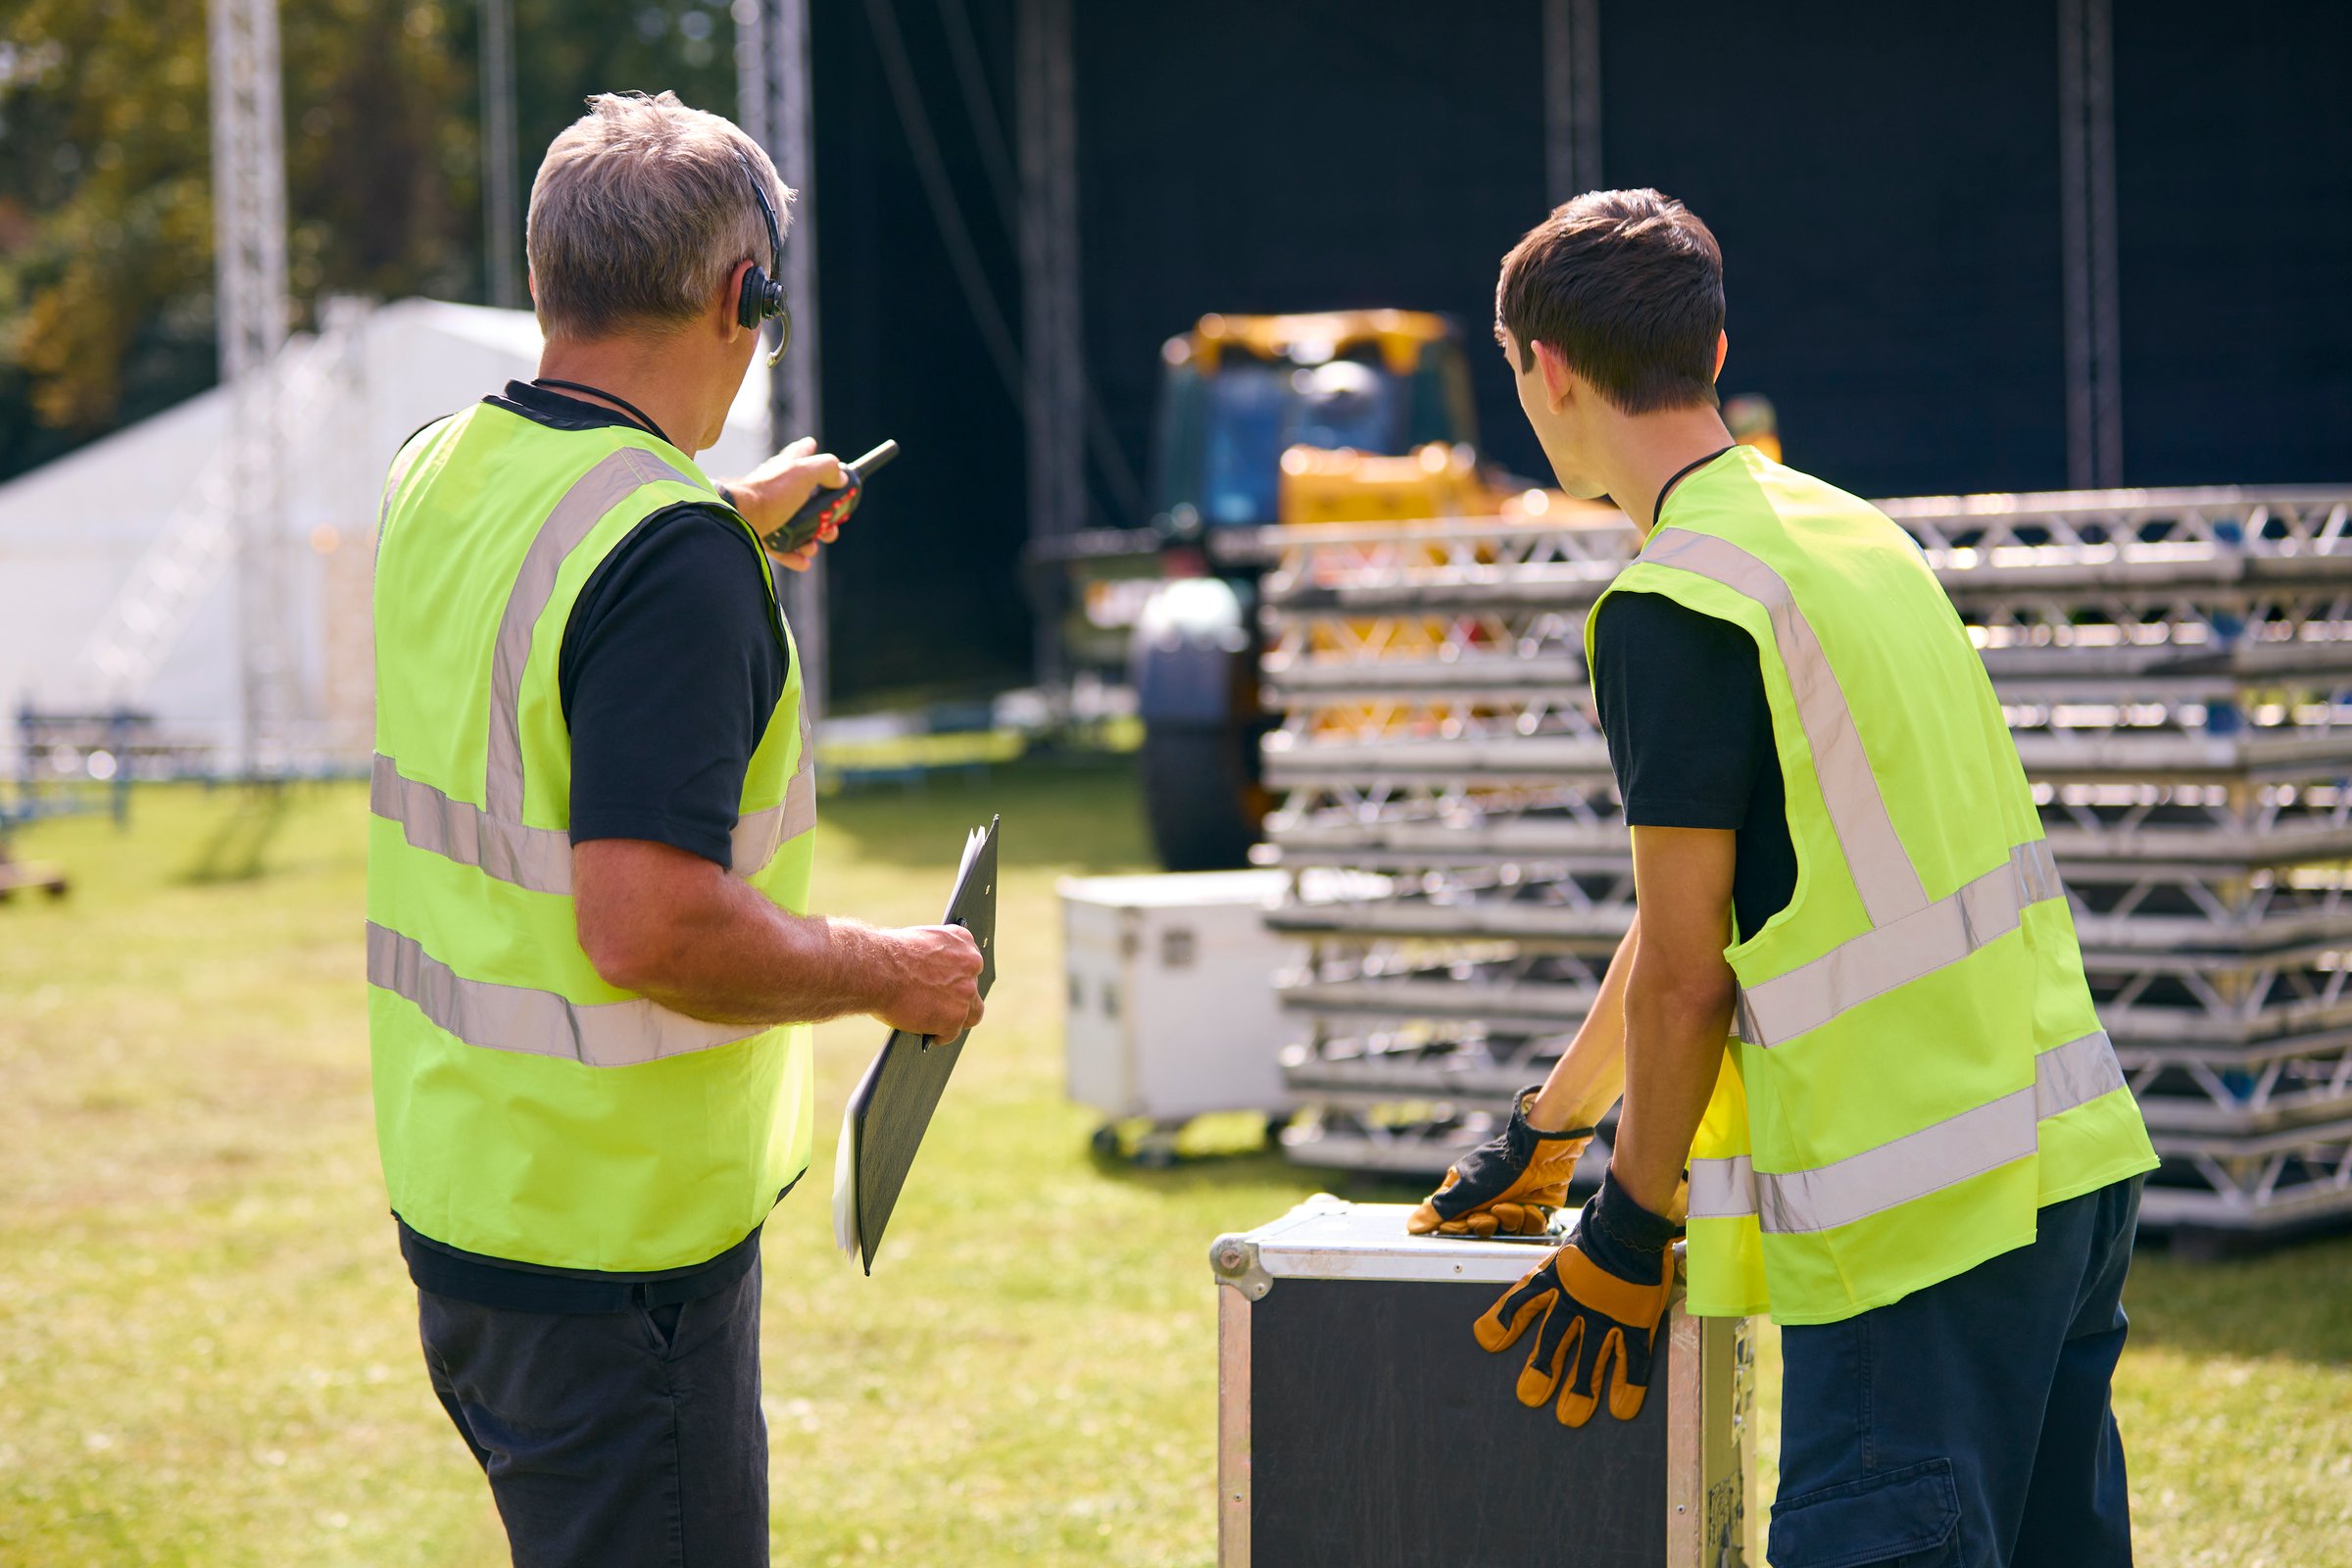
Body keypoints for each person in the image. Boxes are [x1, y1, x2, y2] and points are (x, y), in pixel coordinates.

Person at [1410, 189, 2159, 1567]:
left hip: (1912, 1224)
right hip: (2064, 1161)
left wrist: (1629, 1232)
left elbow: (1694, 973)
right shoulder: (1843, 532)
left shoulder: (1671, 603)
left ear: (1546, 368)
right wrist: (1553, 1128)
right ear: (1712, 346)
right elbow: (1703, 907)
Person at [366, 91, 985, 1568]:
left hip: (470, 1196)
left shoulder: (437, 468)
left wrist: (713, 516)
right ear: (741, 297)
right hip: (616, 1247)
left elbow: (561, 587)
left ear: (542, 279)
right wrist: (892, 970)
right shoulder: (669, 558)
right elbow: (652, 926)